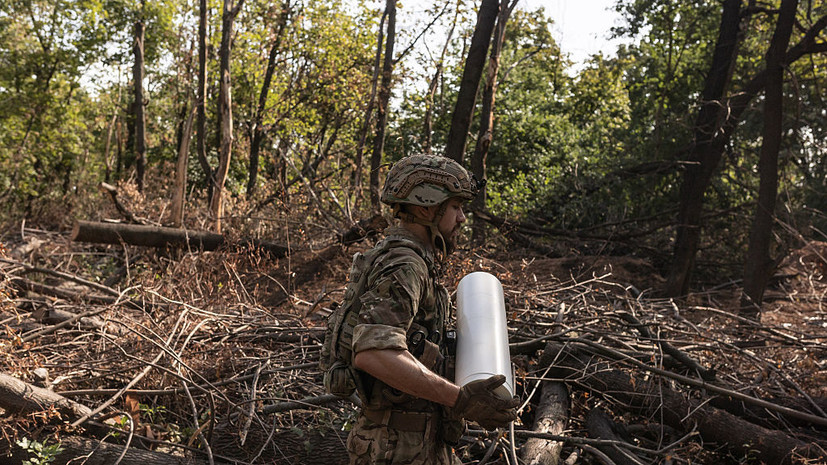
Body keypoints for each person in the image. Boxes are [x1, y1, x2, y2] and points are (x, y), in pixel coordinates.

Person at [333, 154, 519, 464]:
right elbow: (373, 353)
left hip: (413, 444)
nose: (462, 218)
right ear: (426, 207)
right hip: (396, 450)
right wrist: (460, 399)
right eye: (456, 207)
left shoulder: (411, 262)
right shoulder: (406, 266)